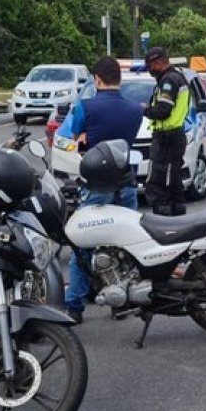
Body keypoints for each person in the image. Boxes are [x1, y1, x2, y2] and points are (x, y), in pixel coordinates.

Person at [63, 56, 144, 324]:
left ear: (97, 79)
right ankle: (121, 302)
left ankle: (74, 306)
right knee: (125, 245)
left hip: (97, 186)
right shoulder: (135, 109)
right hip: (126, 183)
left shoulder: (85, 106)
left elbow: (75, 137)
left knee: (82, 247)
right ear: (118, 79)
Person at [141, 46, 191, 216]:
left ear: (158, 62)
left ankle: (163, 218)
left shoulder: (168, 81)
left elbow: (163, 111)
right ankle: (178, 214)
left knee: (159, 182)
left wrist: (145, 110)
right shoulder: (179, 77)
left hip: (167, 138)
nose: (150, 70)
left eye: (150, 66)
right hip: (175, 135)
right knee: (173, 179)